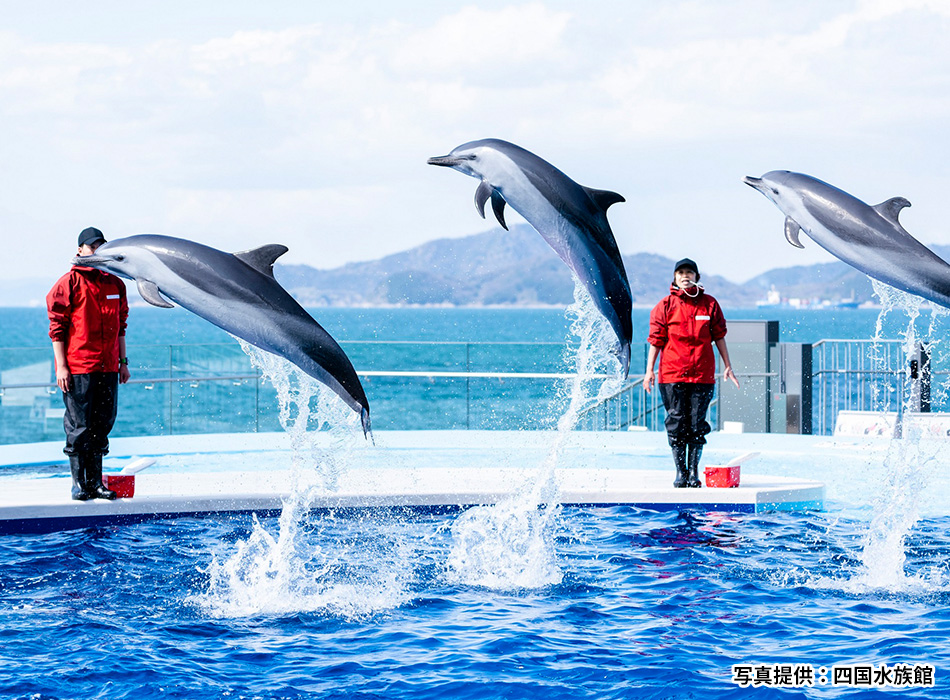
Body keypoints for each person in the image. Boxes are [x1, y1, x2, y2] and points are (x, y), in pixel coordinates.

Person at [47, 227, 131, 500]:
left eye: (101, 246)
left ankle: (95, 483)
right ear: (80, 249)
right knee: (79, 425)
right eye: (92, 246)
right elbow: (57, 328)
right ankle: (78, 484)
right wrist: (61, 367)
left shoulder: (115, 283)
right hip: (79, 366)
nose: (97, 250)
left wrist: (123, 362)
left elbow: (121, 327)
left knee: (102, 423)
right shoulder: (69, 283)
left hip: (108, 366)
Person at [644, 258, 740, 488]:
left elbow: (719, 337)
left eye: (689, 272)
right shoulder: (664, 306)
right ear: (675, 277)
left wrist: (728, 365)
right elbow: (656, 341)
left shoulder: (709, 305)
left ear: (697, 277)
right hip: (672, 375)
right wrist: (649, 371)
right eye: (681, 273)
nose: (685, 276)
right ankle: (681, 471)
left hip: (702, 375)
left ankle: (694, 472)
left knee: (697, 424)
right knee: (677, 422)